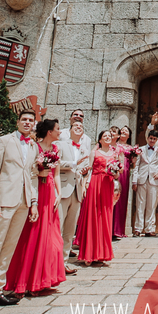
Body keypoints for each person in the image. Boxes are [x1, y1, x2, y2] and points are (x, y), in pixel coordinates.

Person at [0, 110, 39, 314]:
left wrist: (34, 203)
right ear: (18, 122)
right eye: (24, 120)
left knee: (9, 246)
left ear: (34, 123)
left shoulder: (33, 146)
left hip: (23, 202)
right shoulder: (3, 141)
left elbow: (32, 176)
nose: (27, 123)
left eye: (30, 120)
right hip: (4, 200)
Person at [3, 118, 66, 296]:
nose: (60, 132)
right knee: (33, 235)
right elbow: (29, 172)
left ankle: (44, 278)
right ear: (49, 132)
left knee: (52, 237)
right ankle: (28, 281)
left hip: (50, 192)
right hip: (37, 192)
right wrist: (40, 173)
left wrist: (59, 193)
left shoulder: (56, 149)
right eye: (58, 129)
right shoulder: (34, 147)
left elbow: (56, 173)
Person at [74, 130, 121, 265]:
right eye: (104, 136)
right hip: (95, 184)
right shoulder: (94, 153)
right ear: (99, 140)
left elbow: (118, 174)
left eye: (109, 136)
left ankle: (102, 253)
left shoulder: (115, 154)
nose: (107, 137)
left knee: (105, 217)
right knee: (93, 216)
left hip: (108, 184)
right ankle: (89, 253)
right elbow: (88, 170)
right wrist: (84, 186)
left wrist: (115, 173)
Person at [55, 113, 90, 274]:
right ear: (69, 130)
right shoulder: (60, 145)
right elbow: (56, 163)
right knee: (59, 228)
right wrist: (73, 164)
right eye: (75, 126)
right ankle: (53, 264)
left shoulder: (84, 149)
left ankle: (63, 263)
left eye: (81, 127)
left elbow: (84, 167)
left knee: (70, 231)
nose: (78, 128)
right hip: (63, 189)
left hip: (77, 191)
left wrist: (84, 172)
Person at [131, 131, 158, 236]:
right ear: (147, 138)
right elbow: (136, 166)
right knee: (140, 204)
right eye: (151, 138)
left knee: (151, 205)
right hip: (142, 179)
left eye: (154, 139)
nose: (152, 140)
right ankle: (138, 228)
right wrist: (134, 180)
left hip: (153, 180)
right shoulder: (141, 149)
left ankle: (149, 229)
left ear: (156, 140)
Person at [111, 125, 137, 239]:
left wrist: (134, 160)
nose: (123, 132)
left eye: (126, 131)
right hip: (116, 171)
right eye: (122, 131)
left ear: (129, 135)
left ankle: (119, 230)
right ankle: (111, 228)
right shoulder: (114, 145)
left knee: (122, 200)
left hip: (125, 174)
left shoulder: (130, 148)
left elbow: (133, 165)